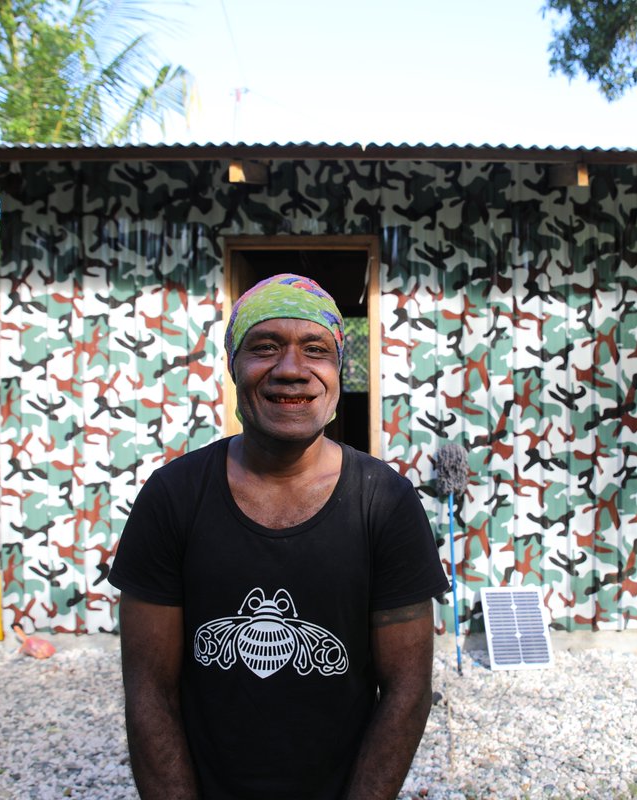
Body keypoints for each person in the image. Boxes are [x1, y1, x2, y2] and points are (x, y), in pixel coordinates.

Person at [108, 273, 450, 799]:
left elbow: (407, 689)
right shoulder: (172, 497)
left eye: (315, 350)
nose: (291, 370)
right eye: (264, 347)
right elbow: (149, 690)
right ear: (233, 367)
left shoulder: (385, 501)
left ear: (339, 372)